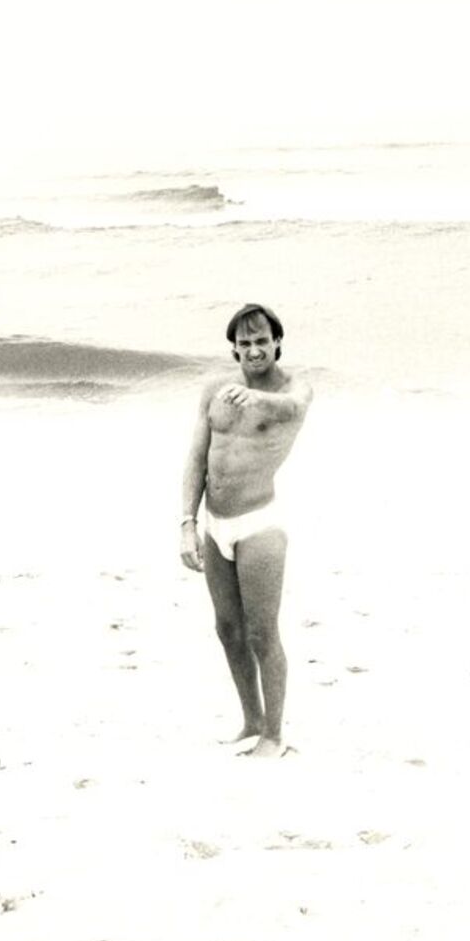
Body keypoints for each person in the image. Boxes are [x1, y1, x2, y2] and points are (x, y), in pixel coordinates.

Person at [179, 303, 313, 759]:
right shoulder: (216, 390)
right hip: (215, 523)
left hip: (259, 524)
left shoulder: (292, 388)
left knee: (262, 632)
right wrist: (186, 523)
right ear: (234, 348)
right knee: (228, 628)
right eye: (245, 343)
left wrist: (259, 399)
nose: (254, 350)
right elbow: (197, 458)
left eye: (261, 341)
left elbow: (294, 405)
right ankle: (251, 721)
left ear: (277, 342)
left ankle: (274, 735)